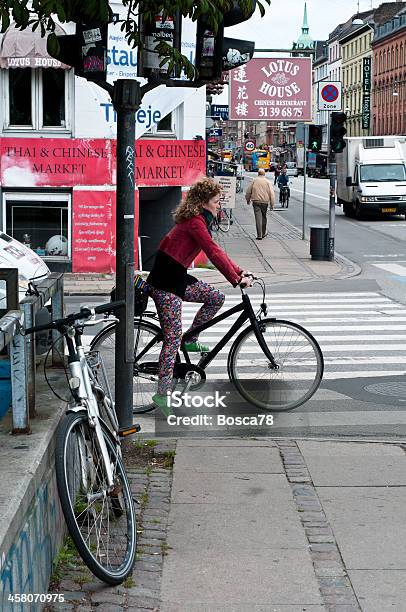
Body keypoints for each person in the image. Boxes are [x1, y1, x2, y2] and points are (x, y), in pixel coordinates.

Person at [147, 177, 253, 415]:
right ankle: (162, 394)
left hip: (177, 277)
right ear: (204, 202)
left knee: (216, 297)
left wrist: (239, 271)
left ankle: (191, 338)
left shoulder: (198, 220)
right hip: (165, 283)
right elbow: (212, 252)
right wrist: (235, 279)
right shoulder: (195, 222)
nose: (219, 205)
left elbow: (217, 250)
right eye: (216, 201)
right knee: (172, 337)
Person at [245, 168, 275, 240]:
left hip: (256, 202)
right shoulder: (268, 182)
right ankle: (263, 232)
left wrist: (248, 199)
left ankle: (259, 235)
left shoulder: (254, 180)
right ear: (264, 174)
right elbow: (272, 194)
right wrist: (272, 204)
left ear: (258, 173)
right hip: (265, 202)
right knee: (264, 217)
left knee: (258, 218)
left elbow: (248, 191)